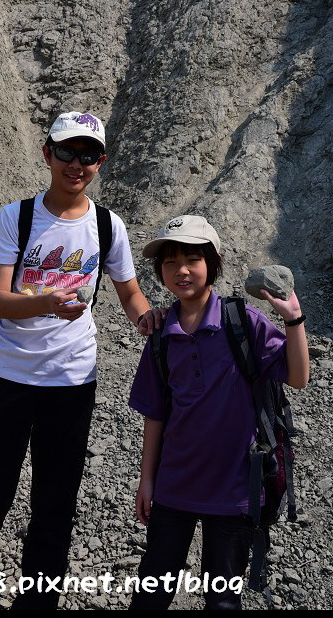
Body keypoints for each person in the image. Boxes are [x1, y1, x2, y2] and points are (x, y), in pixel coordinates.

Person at [0, 111, 159, 611]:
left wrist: (150, 321)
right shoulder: (16, 216)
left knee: (55, 507)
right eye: (65, 152)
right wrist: (48, 303)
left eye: (88, 156)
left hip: (73, 381)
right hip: (11, 375)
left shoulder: (108, 225)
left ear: (100, 163)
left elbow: (130, 294)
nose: (75, 165)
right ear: (46, 154)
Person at [127, 215, 310, 611]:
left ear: (213, 262)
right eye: (170, 262)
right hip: (174, 485)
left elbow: (297, 378)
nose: (181, 270)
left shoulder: (243, 322)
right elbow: (155, 414)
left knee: (223, 598)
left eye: (192, 259)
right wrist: (147, 479)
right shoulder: (160, 334)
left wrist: (293, 319)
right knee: (152, 589)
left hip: (234, 490)